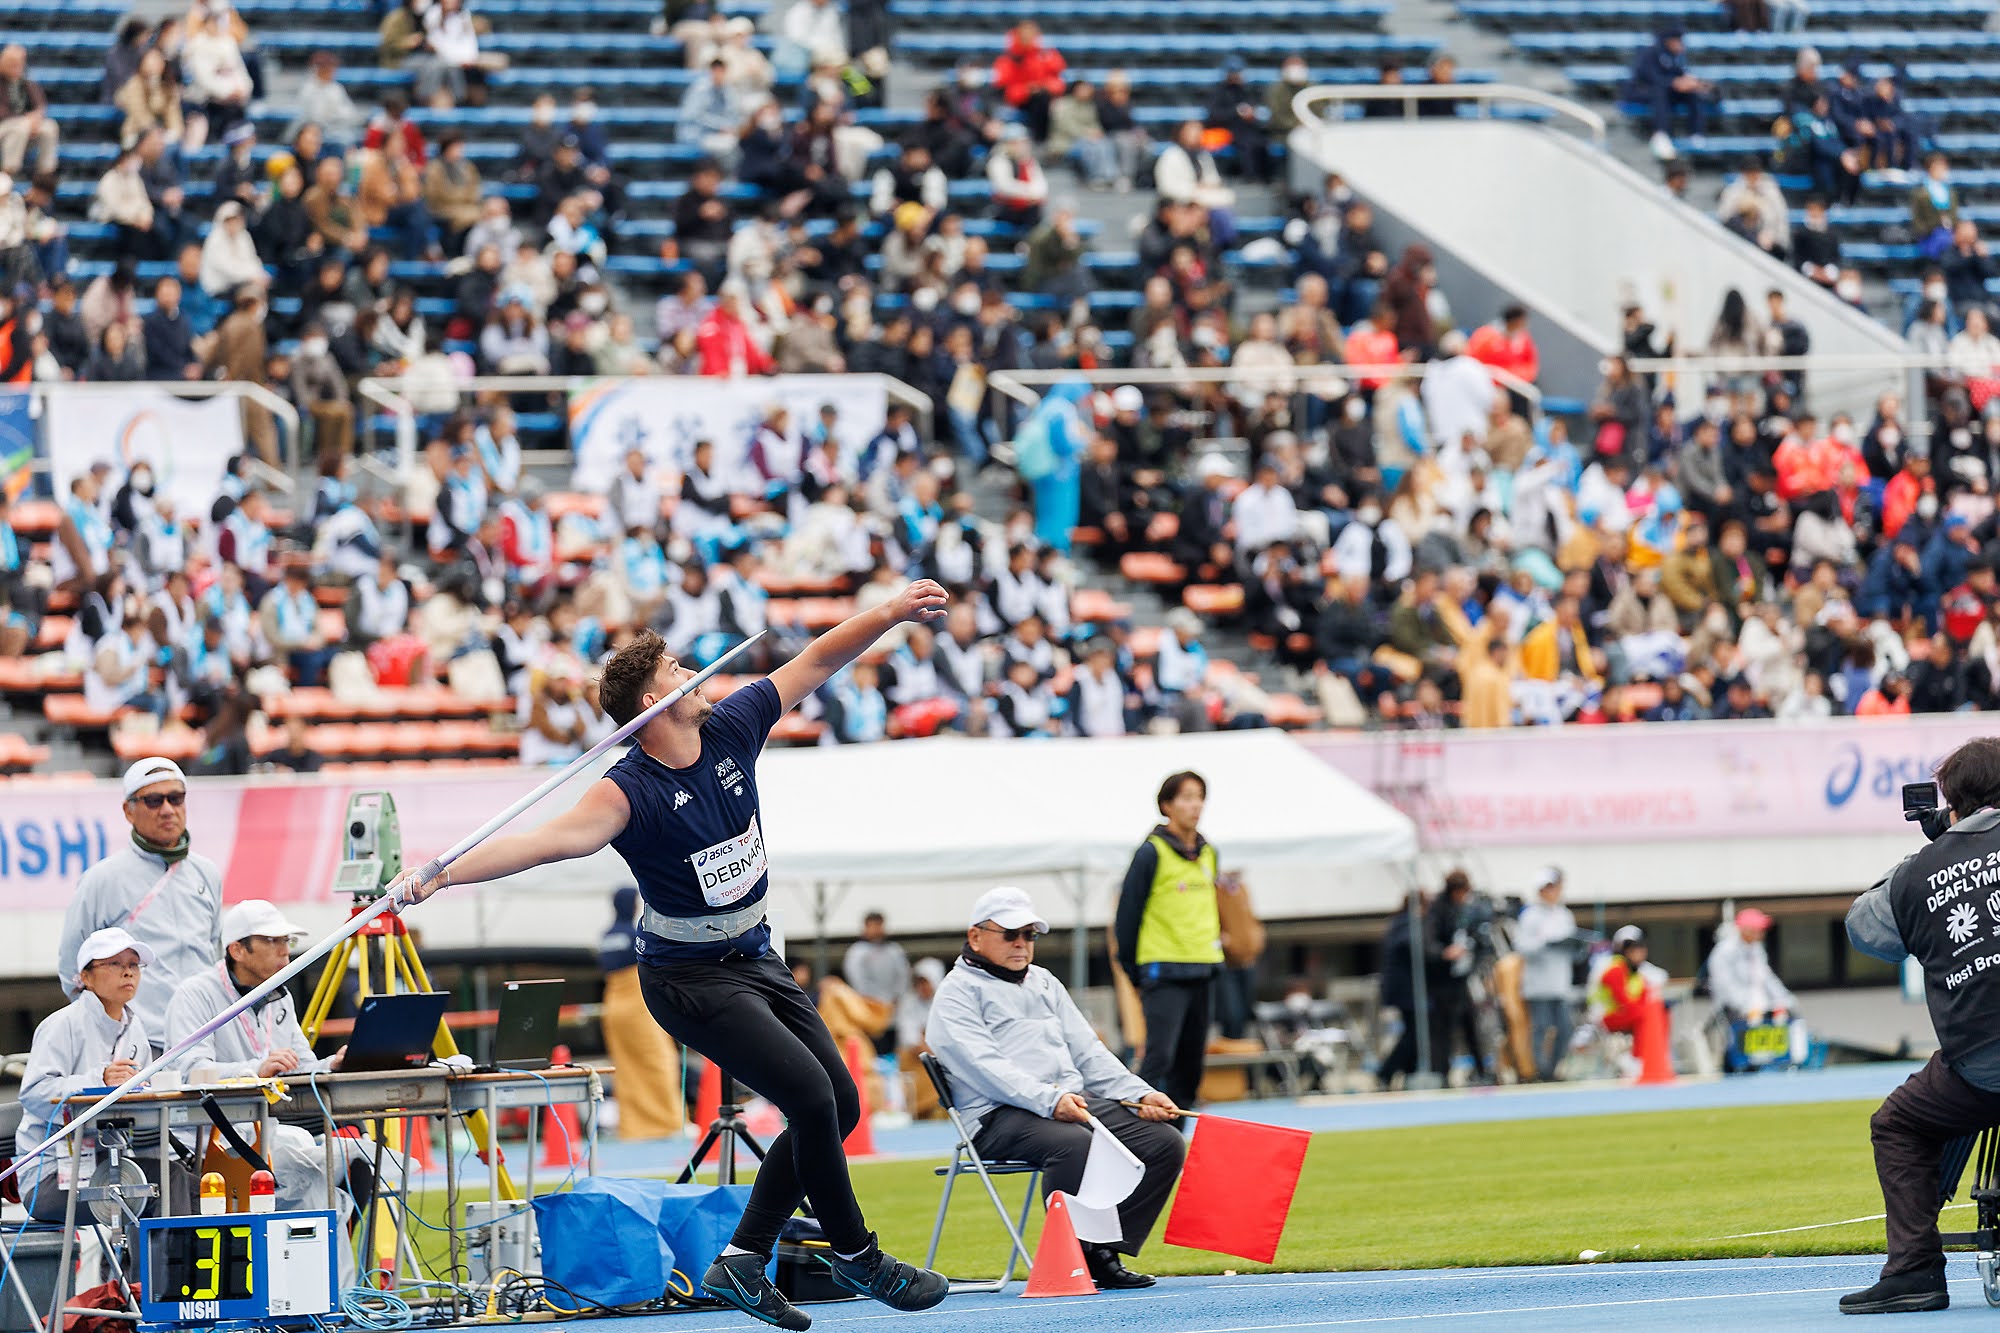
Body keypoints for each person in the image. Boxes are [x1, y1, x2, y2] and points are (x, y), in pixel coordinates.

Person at [387, 586, 956, 1331]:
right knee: (813, 1100)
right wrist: (441, 873)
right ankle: (858, 1254)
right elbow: (542, 842)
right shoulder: (626, 791)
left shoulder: (733, 727)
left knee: (840, 1105)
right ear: (657, 701)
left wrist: (889, 611)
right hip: (688, 978)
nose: (697, 672)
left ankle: (741, 1260)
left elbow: (817, 661)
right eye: (680, 669)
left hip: (755, 953)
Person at [926, 885, 1185, 1289]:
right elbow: (986, 1068)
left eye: (1029, 935)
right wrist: (1050, 1100)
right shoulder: (956, 994)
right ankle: (1070, 1260)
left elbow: (1089, 1052)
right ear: (975, 936)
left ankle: (1101, 1251)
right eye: (1010, 934)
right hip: (996, 1116)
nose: (1021, 943)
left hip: (1066, 1102)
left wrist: (1139, 1093)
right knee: (1074, 1143)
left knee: (1163, 1142)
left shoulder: (1044, 981)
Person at [1844, 738, 2000, 1313]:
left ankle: (1914, 1272)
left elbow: (1865, 929)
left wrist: (1936, 848)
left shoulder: (1919, 873)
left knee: (1899, 1124)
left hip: (1979, 1066)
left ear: (1952, 801)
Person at [163, 900, 363, 1281]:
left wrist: (331, 1065)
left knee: (351, 1164)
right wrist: (254, 1070)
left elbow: (300, 1065)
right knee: (316, 1175)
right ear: (237, 950)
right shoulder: (195, 995)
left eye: (286, 940)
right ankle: (326, 1294)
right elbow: (190, 1073)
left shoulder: (280, 996)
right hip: (210, 1141)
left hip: (265, 1135)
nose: (284, 949)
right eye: (272, 940)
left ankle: (324, 1293)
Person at [57, 758, 223, 1056]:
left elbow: (214, 954)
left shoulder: (207, 873)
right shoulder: (101, 879)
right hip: (136, 1045)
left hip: (204, 1040)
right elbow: (73, 969)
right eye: (154, 800)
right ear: (128, 810)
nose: (167, 809)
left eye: (176, 798)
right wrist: (108, 1034)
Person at [18, 928, 182, 1222]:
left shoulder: (135, 1029)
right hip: (52, 1175)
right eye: (115, 964)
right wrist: (100, 1080)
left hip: (110, 1165)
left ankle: (155, 1254)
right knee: (168, 1184)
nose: (128, 973)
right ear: (86, 977)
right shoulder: (61, 1025)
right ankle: (162, 1255)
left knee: (197, 1185)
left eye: (134, 965)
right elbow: (34, 1093)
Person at [1114, 770, 1220, 1114]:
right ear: (1166, 806)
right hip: (1164, 971)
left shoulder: (1209, 853)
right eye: (1186, 798)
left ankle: (1174, 1141)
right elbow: (1127, 916)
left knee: (1190, 1069)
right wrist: (1134, 971)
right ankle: (1135, 1134)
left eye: (1199, 797)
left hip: (1202, 968)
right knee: (1158, 1060)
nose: (1195, 805)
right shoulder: (1151, 853)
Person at [598, 886, 686, 1139]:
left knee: (626, 1068)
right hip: (637, 1004)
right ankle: (667, 1122)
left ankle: (635, 1125)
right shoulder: (634, 933)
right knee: (660, 1061)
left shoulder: (606, 937)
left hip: (612, 1005)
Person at [1513, 867, 1577, 1081]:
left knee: (1565, 1028)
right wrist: (1545, 943)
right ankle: (1539, 1070)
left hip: (1560, 984)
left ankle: (1553, 1069)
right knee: (1540, 1029)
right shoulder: (1530, 916)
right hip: (1538, 985)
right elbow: (1521, 946)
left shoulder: (1564, 915)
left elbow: (1571, 948)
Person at [842, 911, 910, 1057]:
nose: (877, 930)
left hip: (891, 1012)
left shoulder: (894, 950)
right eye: (873, 926)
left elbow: (902, 977)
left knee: (891, 1052)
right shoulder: (857, 952)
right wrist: (872, 1002)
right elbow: (857, 981)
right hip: (869, 1012)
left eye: (879, 925)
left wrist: (895, 1000)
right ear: (865, 927)